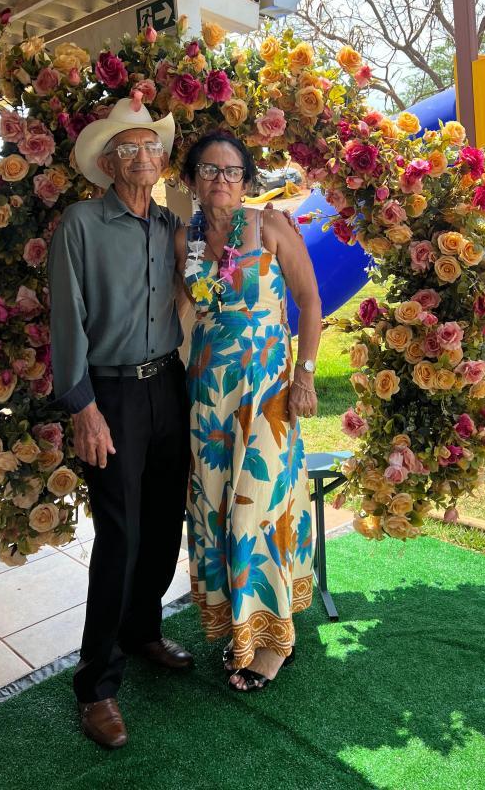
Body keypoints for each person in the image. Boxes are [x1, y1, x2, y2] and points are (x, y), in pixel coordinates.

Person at [48, 96, 193, 749]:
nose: (141, 156)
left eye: (150, 146)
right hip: (110, 396)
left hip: (169, 385)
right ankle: (97, 686)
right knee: (120, 535)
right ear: (107, 163)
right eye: (127, 148)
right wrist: (84, 408)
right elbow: (67, 320)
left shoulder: (171, 225)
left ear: (162, 158)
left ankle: (142, 632)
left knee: (163, 524)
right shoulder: (80, 224)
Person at [176, 131, 322, 692]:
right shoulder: (185, 240)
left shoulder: (271, 226)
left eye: (232, 171)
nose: (222, 180)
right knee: (217, 507)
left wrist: (305, 375)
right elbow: (179, 310)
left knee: (258, 507)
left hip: (266, 391)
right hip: (208, 394)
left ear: (247, 180)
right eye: (210, 170)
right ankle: (241, 628)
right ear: (192, 179)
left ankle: (274, 641)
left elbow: (309, 300)